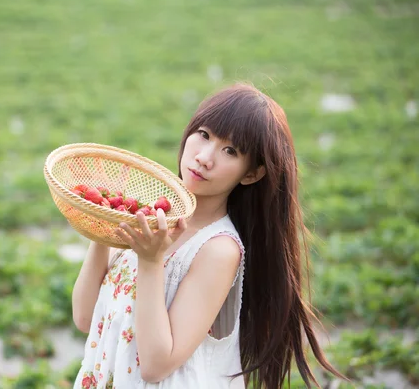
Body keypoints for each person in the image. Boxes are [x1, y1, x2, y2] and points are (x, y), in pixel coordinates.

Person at [71, 83, 346, 388]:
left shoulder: (217, 249)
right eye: (203, 134)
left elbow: (155, 365)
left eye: (230, 150)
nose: (204, 157)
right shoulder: (147, 219)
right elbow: (84, 318)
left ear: (251, 173)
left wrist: (151, 262)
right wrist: (101, 228)